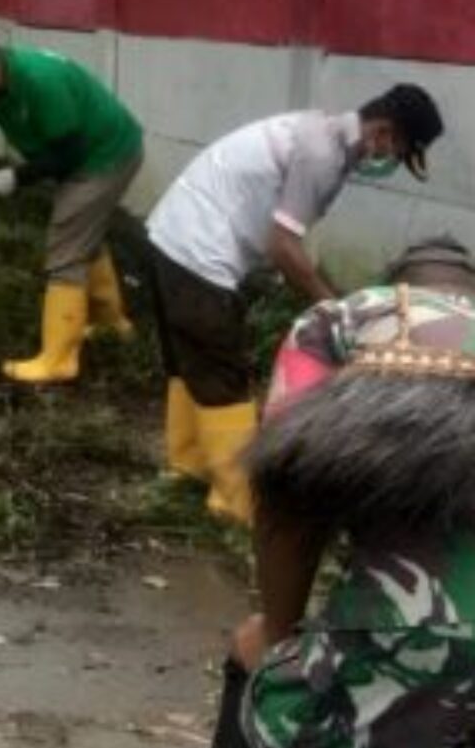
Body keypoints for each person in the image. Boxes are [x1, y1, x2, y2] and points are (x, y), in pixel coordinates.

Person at [206, 237, 475, 748]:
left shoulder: (343, 320)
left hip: (425, 614)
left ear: (392, 283)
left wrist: (278, 633)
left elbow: (286, 495)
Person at [147, 85, 444, 524]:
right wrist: (338, 310)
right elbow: (283, 246)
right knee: (222, 370)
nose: (392, 162)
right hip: (199, 250)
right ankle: (235, 497)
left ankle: (188, 462)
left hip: (172, 234)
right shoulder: (322, 154)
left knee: (190, 359)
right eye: (398, 153)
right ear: (383, 133)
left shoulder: (321, 133)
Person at [0, 33, 144, 384]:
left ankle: (59, 360)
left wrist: (18, 177)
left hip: (105, 156)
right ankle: (112, 324)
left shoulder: (40, 81)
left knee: (66, 249)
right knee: (84, 235)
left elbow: (70, 154)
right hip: (78, 156)